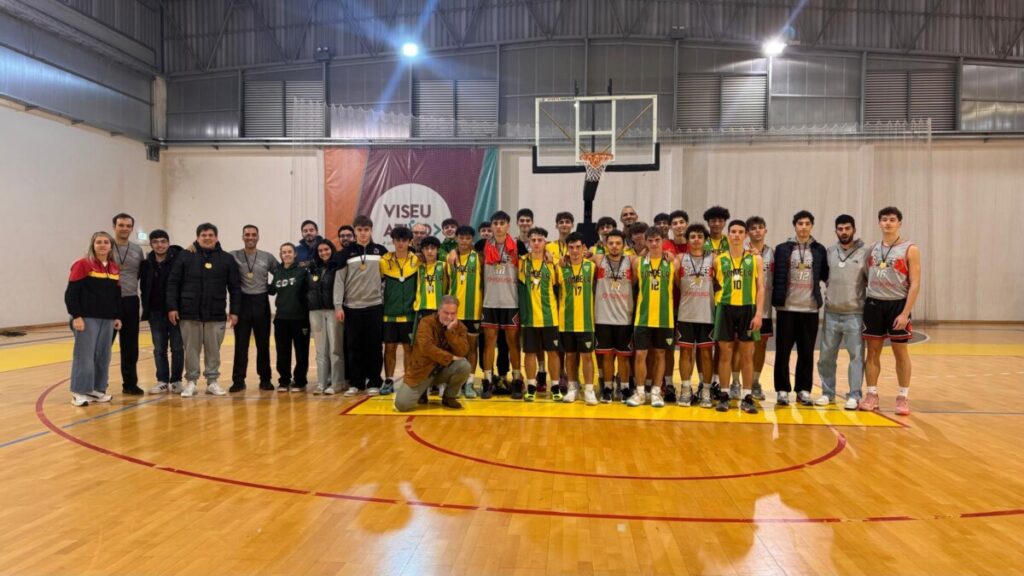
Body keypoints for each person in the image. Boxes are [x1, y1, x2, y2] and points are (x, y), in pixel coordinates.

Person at [166, 223, 241, 397]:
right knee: (191, 349)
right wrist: (172, 307)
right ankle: (191, 382)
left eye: (210, 235)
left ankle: (212, 381)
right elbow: (173, 283)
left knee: (213, 350)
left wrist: (235, 310)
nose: (207, 238)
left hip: (216, 314)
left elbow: (235, 287)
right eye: (203, 235)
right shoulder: (185, 256)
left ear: (216, 237)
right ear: (198, 237)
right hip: (189, 313)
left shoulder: (227, 259)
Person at [860, 206, 920, 416]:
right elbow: (866, 275)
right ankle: (871, 394)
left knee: (900, 352)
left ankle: (903, 397)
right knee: (872, 351)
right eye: (884, 219)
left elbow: (915, 283)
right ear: (879, 223)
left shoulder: (909, 248)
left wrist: (905, 313)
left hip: (897, 304)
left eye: (892, 219)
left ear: (899, 223)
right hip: (875, 304)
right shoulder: (873, 249)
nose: (887, 223)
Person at [772, 210, 828, 406]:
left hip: (810, 310)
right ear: (794, 226)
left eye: (807, 223)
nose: (803, 227)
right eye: (800, 223)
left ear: (811, 226)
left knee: (806, 352)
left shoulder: (820, 250)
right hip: (787, 309)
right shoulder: (782, 249)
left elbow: (826, 276)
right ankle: (782, 390)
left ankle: (803, 390)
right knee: (783, 351)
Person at [711, 220, 764, 414]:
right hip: (725, 309)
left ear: (746, 235)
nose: (736, 235)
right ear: (728, 234)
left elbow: (761, 287)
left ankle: (747, 396)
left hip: (747, 309)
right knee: (725, 354)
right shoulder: (718, 260)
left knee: (747, 355)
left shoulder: (755, 259)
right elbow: (713, 286)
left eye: (740, 232)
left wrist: (759, 313)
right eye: (733, 232)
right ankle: (724, 394)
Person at [816, 215, 868, 409]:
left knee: (856, 356)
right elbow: (823, 277)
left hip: (855, 313)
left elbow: (870, 281)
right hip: (831, 313)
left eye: (847, 228)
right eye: (840, 229)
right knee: (826, 356)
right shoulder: (830, 252)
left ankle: (854, 394)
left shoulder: (865, 253)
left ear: (854, 229)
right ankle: (827, 393)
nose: (844, 232)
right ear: (836, 231)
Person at [65, 231, 122, 406]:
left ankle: (96, 389)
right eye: (99, 242)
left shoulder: (113, 267)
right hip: (87, 318)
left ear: (111, 246)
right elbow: (72, 293)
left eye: (106, 242)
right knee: (85, 356)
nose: (103, 245)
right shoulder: (82, 264)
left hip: (107, 319)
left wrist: (117, 316)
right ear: (93, 245)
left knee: (103, 356)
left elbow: (116, 295)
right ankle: (79, 391)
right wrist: (77, 316)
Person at [334, 215, 388, 396]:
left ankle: (374, 380)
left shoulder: (381, 251)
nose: (363, 233)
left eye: (366, 230)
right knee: (354, 346)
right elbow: (339, 281)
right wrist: (338, 306)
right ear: (354, 231)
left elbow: (386, 279)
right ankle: (356, 383)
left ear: (371, 230)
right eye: (359, 230)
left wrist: (383, 299)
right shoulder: (345, 253)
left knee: (374, 346)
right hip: (351, 307)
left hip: (374, 306)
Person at [474, 211, 524, 398]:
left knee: (513, 344)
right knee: (489, 343)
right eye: (495, 223)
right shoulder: (482, 245)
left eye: (502, 223)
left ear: (508, 225)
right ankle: (487, 380)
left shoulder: (518, 245)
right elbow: (463, 252)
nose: (498, 226)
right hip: (490, 302)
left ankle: (517, 380)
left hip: (511, 301)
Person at [393, 296, 471, 412]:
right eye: (446, 313)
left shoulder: (460, 327)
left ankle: (449, 397)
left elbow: (463, 351)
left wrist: (450, 332)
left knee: (464, 366)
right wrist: (449, 357)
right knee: (402, 404)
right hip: (422, 371)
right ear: (439, 310)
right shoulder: (426, 322)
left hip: (441, 371)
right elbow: (426, 348)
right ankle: (422, 391)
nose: (449, 317)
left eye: (453, 313)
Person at [627, 227, 676, 407]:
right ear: (646, 242)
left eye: (657, 240)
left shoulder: (673, 262)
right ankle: (640, 392)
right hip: (643, 316)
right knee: (640, 354)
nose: (654, 244)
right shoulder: (638, 262)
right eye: (651, 241)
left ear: (663, 241)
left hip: (665, 317)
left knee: (660, 354)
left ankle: (656, 392)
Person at [230, 225, 278, 392]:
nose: (250, 237)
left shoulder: (267, 257)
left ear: (258, 237)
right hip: (241, 303)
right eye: (247, 235)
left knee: (263, 344)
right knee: (241, 345)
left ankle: (265, 379)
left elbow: (281, 273)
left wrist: (273, 288)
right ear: (242, 237)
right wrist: (192, 245)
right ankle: (238, 380)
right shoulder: (233, 255)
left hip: (261, 302)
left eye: (253, 235)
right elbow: (216, 254)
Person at [519, 227, 561, 401]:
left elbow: (559, 286)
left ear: (546, 242)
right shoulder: (522, 262)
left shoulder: (553, 263)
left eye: (540, 240)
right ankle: (531, 386)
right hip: (529, 318)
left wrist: (554, 260)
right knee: (529, 353)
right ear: (528, 242)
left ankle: (556, 386)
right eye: (533, 240)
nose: (536, 243)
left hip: (550, 317)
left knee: (553, 353)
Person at [675, 224, 715, 408]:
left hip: (707, 314)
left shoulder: (713, 259)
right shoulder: (680, 259)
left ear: (705, 240)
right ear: (688, 239)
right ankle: (685, 389)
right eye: (693, 236)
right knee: (685, 352)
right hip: (686, 313)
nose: (696, 239)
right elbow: (676, 282)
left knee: (706, 353)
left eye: (700, 236)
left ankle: (705, 390)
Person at [140, 230, 184, 394]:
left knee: (177, 348)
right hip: (155, 313)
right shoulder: (146, 264)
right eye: (156, 242)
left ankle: (177, 380)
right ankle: (162, 380)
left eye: (163, 241)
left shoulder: (179, 260)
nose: (160, 245)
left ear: (168, 243)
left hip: (175, 312)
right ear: (151, 244)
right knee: (159, 349)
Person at [558, 232, 597, 405]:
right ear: (567, 249)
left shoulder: (592, 266)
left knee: (587, 357)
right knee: (570, 356)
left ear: (583, 249)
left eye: (578, 247)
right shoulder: (560, 267)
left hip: (587, 321)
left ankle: (589, 390)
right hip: (566, 321)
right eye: (571, 247)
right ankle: (573, 388)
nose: (574, 251)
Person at [381, 226, 418, 395]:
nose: (401, 244)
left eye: (404, 240)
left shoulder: (417, 260)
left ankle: (408, 380)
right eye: (397, 240)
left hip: (410, 314)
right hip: (389, 314)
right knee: (389, 348)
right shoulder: (384, 261)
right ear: (393, 241)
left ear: (410, 242)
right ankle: (388, 381)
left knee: (409, 349)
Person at [446, 226, 483, 398]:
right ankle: (455, 383)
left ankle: (469, 383)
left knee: (471, 348)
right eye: (461, 238)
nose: (464, 241)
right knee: (454, 348)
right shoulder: (449, 258)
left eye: (468, 238)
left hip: (473, 311)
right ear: (456, 239)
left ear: (472, 240)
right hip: (454, 313)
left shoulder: (479, 258)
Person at [111, 213, 144, 396]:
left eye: (128, 225)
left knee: (130, 346)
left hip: (131, 300)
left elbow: (138, 273)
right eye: (121, 225)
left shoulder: (137, 250)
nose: (124, 228)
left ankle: (130, 384)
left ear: (132, 228)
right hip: (108, 302)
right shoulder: (106, 246)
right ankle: (99, 384)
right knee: (104, 345)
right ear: (114, 226)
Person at [269, 243, 310, 392]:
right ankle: (284, 380)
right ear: (280, 255)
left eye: (289, 252)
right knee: (282, 351)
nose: (286, 254)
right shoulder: (278, 273)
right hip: (281, 319)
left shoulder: (302, 272)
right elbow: (272, 290)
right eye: (284, 252)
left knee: (301, 352)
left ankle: (300, 381)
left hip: (300, 319)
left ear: (295, 254)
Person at [307, 241, 344, 395]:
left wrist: (339, 307)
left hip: (333, 310)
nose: (323, 253)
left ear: (332, 250)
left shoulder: (338, 267)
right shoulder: (313, 268)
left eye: (326, 249)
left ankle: (337, 383)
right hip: (315, 311)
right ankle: (321, 383)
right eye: (320, 250)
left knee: (335, 348)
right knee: (320, 350)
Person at [743, 216, 774, 401]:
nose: (757, 231)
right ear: (748, 232)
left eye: (760, 227)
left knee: (760, 345)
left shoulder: (773, 253)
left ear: (765, 231)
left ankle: (755, 382)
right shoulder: (742, 252)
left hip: (765, 308)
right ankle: (738, 382)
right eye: (753, 228)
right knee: (743, 347)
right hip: (744, 306)